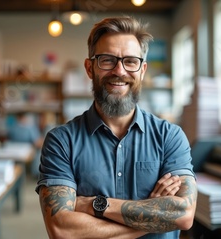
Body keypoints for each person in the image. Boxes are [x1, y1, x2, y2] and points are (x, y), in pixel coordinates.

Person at [35, 16, 197, 239]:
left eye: (130, 61)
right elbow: (62, 229)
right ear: (90, 68)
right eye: (107, 60)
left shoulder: (170, 137)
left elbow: (184, 214)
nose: (119, 71)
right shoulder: (61, 141)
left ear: (142, 69)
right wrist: (155, 214)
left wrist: (95, 205)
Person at [7, 111, 43, 177]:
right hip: (27, 149)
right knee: (40, 151)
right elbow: (37, 142)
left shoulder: (12, 128)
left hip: (13, 149)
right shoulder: (30, 127)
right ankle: (36, 173)